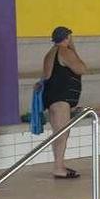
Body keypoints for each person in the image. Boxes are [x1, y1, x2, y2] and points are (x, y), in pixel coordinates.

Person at [36, 26, 87, 179]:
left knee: (59, 133)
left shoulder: (50, 53)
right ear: (67, 38)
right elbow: (82, 68)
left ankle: (60, 165)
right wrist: (73, 49)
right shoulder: (65, 51)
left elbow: (45, 77)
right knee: (62, 134)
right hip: (60, 99)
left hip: (52, 98)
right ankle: (58, 168)